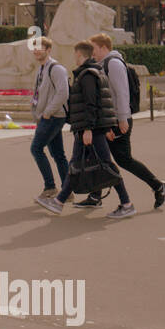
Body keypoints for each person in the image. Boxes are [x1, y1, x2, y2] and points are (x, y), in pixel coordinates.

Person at [36, 41, 135, 219]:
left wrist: (89, 129)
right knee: (76, 164)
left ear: (80, 55)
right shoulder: (94, 71)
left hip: (90, 129)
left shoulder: (87, 75)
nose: (74, 58)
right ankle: (59, 202)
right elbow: (103, 103)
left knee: (106, 165)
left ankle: (126, 203)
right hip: (90, 128)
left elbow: (91, 104)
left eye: (75, 55)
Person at [76, 35, 165, 210]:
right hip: (111, 120)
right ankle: (96, 196)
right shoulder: (105, 64)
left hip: (118, 120)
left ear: (103, 47)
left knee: (122, 159)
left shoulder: (114, 64)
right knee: (100, 156)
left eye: (94, 48)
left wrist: (122, 119)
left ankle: (157, 186)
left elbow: (121, 93)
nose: (92, 52)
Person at [29, 36, 70, 200]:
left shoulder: (56, 68)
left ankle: (50, 187)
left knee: (36, 149)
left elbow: (63, 93)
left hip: (53, 116)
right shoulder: (41, 69)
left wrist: (47, 112)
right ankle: (68, 191)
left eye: (40, 47)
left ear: (48, 50)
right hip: (47, 116)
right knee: (58, 154)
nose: (36, 51)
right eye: (34, 48)